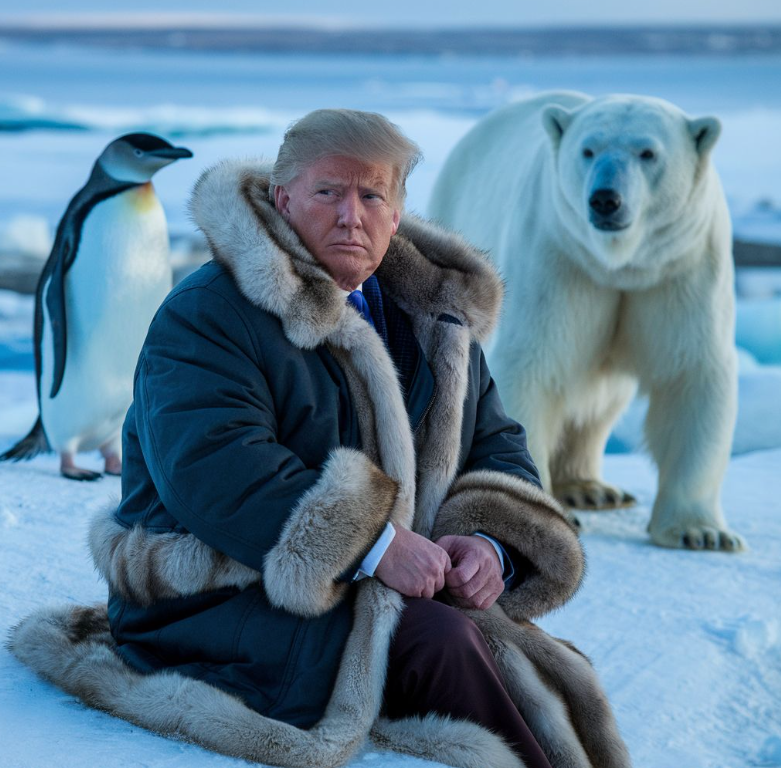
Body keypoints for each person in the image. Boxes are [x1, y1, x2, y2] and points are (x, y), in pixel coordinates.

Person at [10, 110, 631, 768]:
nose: (350, 216)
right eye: (327, 192)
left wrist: (488, 544)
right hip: (214, 595)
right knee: (443, 642)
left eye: (371, 196)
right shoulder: (206, 314)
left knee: (549, 677)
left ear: (395, 214)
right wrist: (376, 545)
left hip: (379, 589)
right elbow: (216, 471)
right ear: (283, 201)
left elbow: (497, 448)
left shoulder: (432, 322)